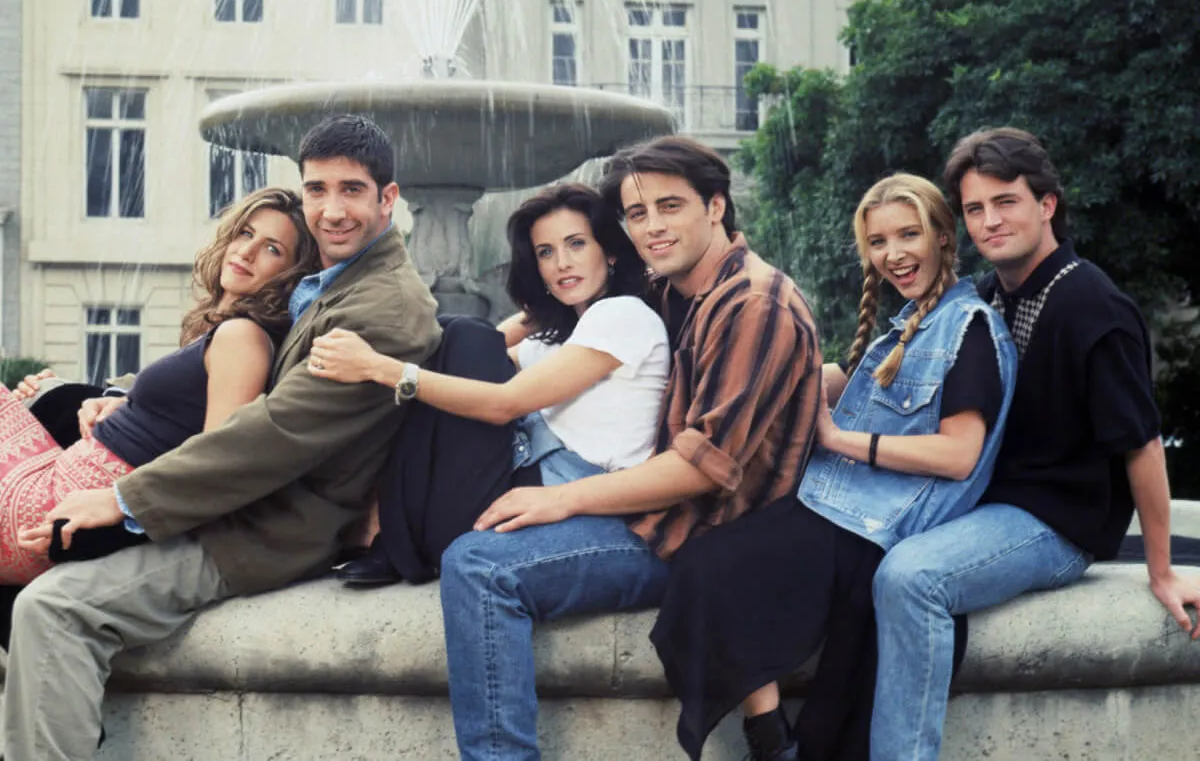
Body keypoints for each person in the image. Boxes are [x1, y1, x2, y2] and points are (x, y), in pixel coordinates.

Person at [4, 114, 441, 761]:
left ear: (389, 198)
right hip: (248, 507)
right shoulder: (341, 282)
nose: (330, 208)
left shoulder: (382, 305)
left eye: (351, 189)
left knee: (53, 608)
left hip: (264, 530)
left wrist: (120, 499)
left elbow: (271, 433)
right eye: (317, 188)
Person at [434, 135, 824, 761]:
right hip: (657, 513)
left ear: (716, 205)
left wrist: (562, 501)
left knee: (481, 567)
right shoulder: (677, 286)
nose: (652, 228)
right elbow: (576, 297)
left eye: (670, 206)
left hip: (694, 535)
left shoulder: (753, 303)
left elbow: (700, 472)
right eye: (637, 215)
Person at [651, 173, 1017, 761]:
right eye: (878, 242)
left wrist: (841, 439)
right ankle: (776, 738)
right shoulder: (905, 325)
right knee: (705, 545)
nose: (893, 254)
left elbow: (958, 454)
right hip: (839, 508)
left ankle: (770, 741)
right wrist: (793, 377)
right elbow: (863, 388)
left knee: (705, 565)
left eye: (908, 235)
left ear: (944, 238)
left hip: (871, 531)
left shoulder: (969, 329)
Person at [869, 128, 1200, 761]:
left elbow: (1143, 446)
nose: (989, 221)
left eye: (1006, 202)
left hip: (1056, 521)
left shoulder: (1092, 305)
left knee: (911, 578)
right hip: (990, 504)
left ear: (1046, 204)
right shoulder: (991, 295)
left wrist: (1160, 571)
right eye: (974, 209)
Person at [307, 182, 671, 582]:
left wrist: (380, 368)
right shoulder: (564, 336)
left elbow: (503, 401)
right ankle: (387, 535)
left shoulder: (623, 315)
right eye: (545, 253)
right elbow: (474, 360)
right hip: (501, 500)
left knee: (462, 333)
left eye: (577, 244)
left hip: (556, 499)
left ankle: (384, 536)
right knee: (453, 338)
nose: (562, 262)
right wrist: (542, 310)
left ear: (611, 251)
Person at [0, 186, 320, 584]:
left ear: (291, 276)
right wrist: (121, 401)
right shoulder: (220, 330)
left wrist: (113, 521)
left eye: (273, 249)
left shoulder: (243, 338)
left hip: (55, 508)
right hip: (57, 492)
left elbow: (218, 461)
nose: (247, 251)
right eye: (245, 233)